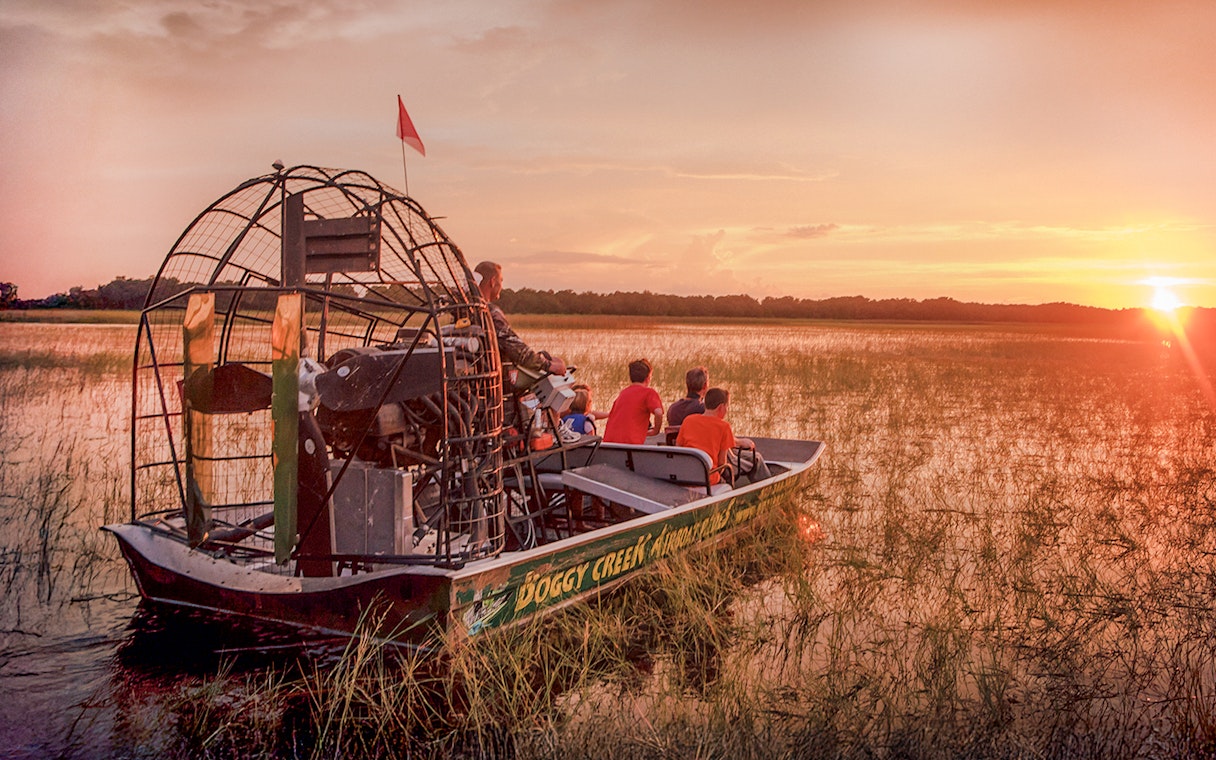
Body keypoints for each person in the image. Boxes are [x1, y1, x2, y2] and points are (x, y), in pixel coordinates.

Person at [474, 261, 566, 376]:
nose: (501, 286)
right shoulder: (490, 312)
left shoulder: (465, 311)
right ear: (492, 282)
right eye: (501, 280)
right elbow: (516, 348)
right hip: (494, 381)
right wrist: (548, 365)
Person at [676, 387, 771, 485]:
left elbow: (679, 448)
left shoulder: (688, 420)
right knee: (750, 460)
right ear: (721, 407)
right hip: (708, 477)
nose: (727, 410)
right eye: (727, 406)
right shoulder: (724, 427)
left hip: (686, 474)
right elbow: (722, 463)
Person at [601, 359, 664, 444]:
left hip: (609, 442)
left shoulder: (623, 393)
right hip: (630, 443)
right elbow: (659, 413)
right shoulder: (649, 393)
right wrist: (655, 431)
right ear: (648, 377)